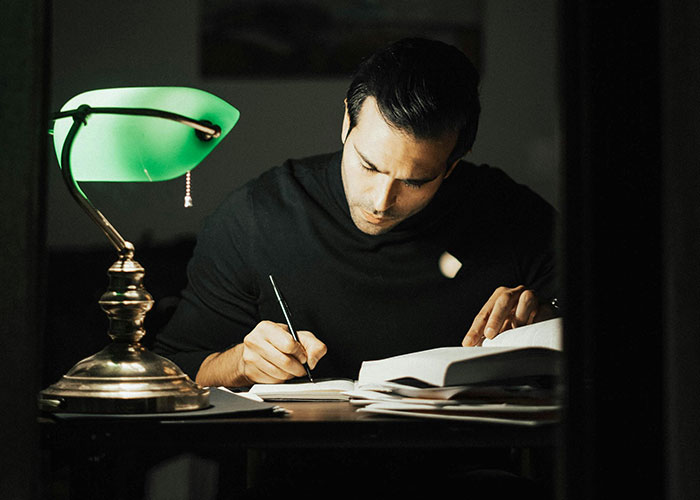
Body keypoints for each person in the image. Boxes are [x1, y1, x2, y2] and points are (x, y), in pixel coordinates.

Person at [153, 37, 558, 388]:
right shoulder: (258, 216)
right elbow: (174, 371)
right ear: (347, 121)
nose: (382, 201)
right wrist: (240, 363)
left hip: (471, 466)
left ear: (452, 164)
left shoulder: (510, 214)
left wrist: (546, 323)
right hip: (298, 468)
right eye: (369, 166)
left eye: (415, 181)